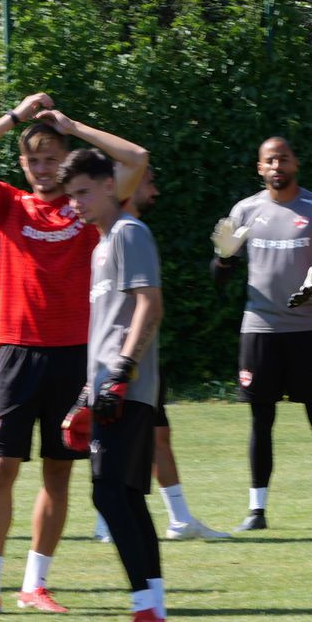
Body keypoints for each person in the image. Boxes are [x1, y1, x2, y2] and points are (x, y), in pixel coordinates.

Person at [0, 95, 148, 617]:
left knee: (59, 473)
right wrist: (14, 116)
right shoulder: (9, 204)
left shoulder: (86, 205)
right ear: (22, 164)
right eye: (33, 160)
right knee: (0, 470)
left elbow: (136, 159)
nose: (42, 168)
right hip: (16, 352)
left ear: (65, 160)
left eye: (51, 158)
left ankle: (35, 585)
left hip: (76, 356)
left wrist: (73, 126)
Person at [58, 147, 170, 622]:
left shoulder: (128, 233)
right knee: (124, 497)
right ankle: (153, 617)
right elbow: (109, 327)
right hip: (107, 390)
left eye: (83, 192)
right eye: (70, 196)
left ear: (110, 185)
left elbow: (150, 304)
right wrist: (88, 393)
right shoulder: (102, 245)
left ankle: (147, 614)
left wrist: (122, 372)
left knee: (110, 496)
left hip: (126, 390)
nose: (76, 203)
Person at [213, 137, 312, 531]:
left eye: (284, 159)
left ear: (296, 164)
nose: (278, 166)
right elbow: (219, 277)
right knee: (261, 421)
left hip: (308, 330)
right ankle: (256, 512)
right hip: (260, 329)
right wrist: (224, 257)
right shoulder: (245, 210)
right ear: (260, 168)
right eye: (270, 160)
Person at [125, 166, 228, 540]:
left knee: (159, 435)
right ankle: (107, 522)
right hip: (113, 355)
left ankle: (180, 520)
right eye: (149, 182)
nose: (155, 191)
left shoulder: (135, 231)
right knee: (112, 438)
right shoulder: (114, 233)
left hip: (143, 355)